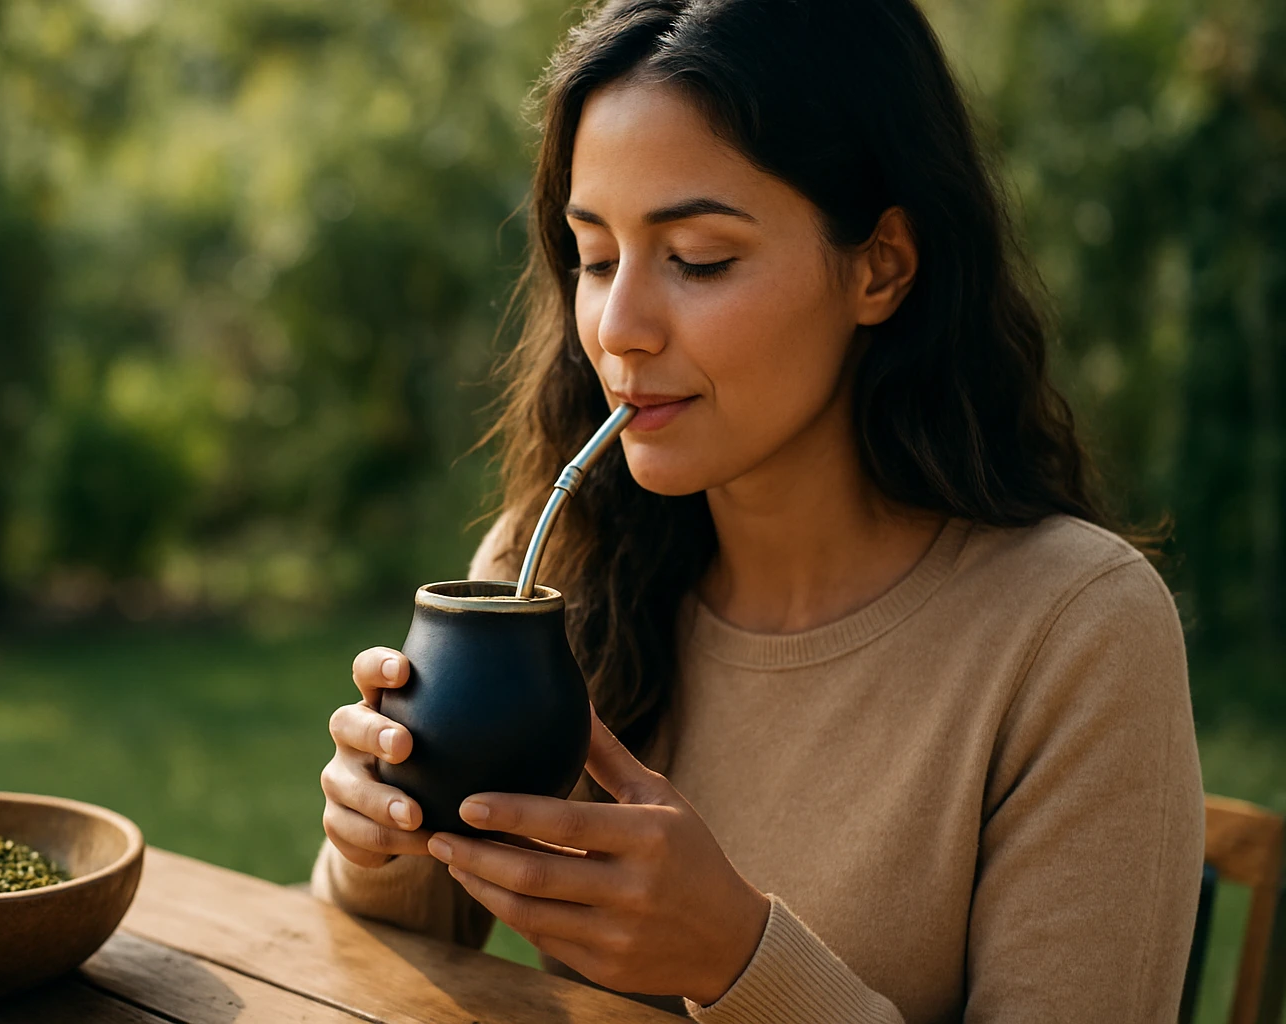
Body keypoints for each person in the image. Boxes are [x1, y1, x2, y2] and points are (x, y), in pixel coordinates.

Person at [311, 0, 1204, 1020]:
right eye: (595, 258)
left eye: (698, 258)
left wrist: (740, 960)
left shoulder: (1074, 631)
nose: (619, 330)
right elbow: (365, 977)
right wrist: (377, 840)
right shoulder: (548, 573)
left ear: (882, 265)